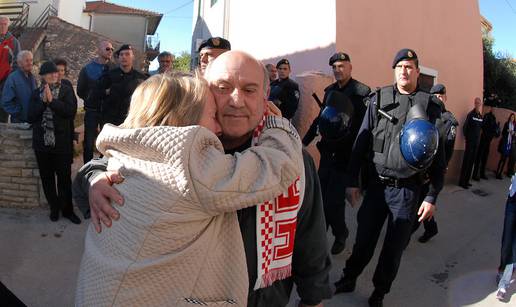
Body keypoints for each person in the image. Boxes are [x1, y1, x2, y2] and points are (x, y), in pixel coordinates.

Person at [74, 51, 332, 307]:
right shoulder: (185, 146)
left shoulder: (291, 156)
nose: (236, 100)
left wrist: (313, 296)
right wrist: (94, 177)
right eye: (223, 87)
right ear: (204, 91)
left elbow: (310, 233)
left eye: (250, 90)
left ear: (266, 99)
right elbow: (118, 158)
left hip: (264, 297)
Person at [334, 49, 446, 307]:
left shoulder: (430, 106)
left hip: (407, 191)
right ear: (394, 70)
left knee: (393, 249)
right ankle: (349, 277)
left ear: (417, 71)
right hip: (376, 187)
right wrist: (352, 181)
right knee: (363, 240)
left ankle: (379, 292)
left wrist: (431, 196)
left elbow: (438, 156)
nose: (404, 71)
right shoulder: (379, 99)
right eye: (399, 67)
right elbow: (361, 142)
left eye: (409, 66)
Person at [303, 52, 371, 255]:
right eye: (334, 67)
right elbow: (321, 120)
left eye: (342, 66)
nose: (338, 70)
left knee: (334, 201)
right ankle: (321, 235)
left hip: (346, 156)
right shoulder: (330, 91)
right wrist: (302, 142)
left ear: (350, 67)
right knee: (322, 198)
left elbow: (364, 128)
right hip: (328, 153)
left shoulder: (361, 92)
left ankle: (341, 233)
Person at [27, 61, 80, 224]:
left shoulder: (66, 90)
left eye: (55, 72)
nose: (54, 75)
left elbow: (70, 112)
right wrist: (43, 102)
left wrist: (52, 102)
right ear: (42, 76)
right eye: (49, 73)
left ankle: (67, 210)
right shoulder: (36, 94)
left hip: (61, 143)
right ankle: (54, 208)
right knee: (47, 178)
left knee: (64, 179)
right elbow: (31, 117)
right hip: (42, 144)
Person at [410, 83, 458, 244]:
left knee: (422, 202)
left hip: (434, 167)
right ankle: (431, 228)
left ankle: (405, 236)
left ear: (445, 97)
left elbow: (449, 146)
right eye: (435, 96)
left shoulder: (449, 120)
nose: (438, 99)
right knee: (422, 200)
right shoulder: (427, 113)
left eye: (440, 96)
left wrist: (443, 167)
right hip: (421, 164)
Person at [77, 40, 114, 163]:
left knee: (107, 143)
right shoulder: (87, 69)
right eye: (107, 49)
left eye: (112, 49)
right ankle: (87, 169)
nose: (110, 51)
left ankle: (105, 168)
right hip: (92, 111)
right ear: (99, 50)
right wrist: (91, 98)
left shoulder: (114, 68)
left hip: (108, 112)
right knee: (88, 143)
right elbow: (80, 91)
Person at [98, 44, 147, 126]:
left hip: (131, 121)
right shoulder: (109, 75)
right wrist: (107, 92)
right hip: (110, 121)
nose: (124, 57)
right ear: (118, 58)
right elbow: (96, 93)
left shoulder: (141, 78)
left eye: (127, 54)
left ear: (133, 57)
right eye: (121, 54)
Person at [1, 50, 36, 123]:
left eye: (31, 60)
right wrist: (18, 112)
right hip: (19, 122)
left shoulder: (32, 77)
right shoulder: (13, 78)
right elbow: (5, 102)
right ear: (19, 63)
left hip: (32, 120)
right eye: (27, 61)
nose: (30, 63)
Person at [496, 174, 516, 300]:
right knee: (507, 241)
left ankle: (503, 282)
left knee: (514, 245)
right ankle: (503, 267)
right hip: (513, 201)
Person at [55, 58, 78, 163]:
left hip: (67, 127)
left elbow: (73, 106)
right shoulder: (46, 87)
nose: (60, 73)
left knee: (66, 163)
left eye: (62, 70)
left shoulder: (67, 84)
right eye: (57, 70)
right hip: (54, 129)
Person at [458, 97, 483, 189]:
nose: (477, 104)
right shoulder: (470, 115)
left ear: (480, 105)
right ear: (474, 103)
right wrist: (468, 138)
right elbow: (465, 128)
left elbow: (480, 129)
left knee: (471, 162)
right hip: (470, 143)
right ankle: (462, 182)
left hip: (476, 143)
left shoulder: (480, 116)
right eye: (476, 103)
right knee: (466, 161)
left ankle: (467, 181)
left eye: (479, 103)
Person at [0, 16, 21, 122]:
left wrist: (10, 79)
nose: (2, 26)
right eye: (0, 24)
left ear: (8, 26)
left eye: (4, 24)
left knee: (3, 108)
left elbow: (18, 62)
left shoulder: (14, 42)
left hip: (5, 81)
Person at [473, 100, 499, 180]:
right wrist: (488, 132)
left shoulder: (494, 118)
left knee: (485, 157)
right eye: (493, 108)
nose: (494, 110)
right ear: (491, 109)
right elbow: (483, 126)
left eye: (495, 109)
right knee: (479, 156)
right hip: (484, 139)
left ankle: (482, 173)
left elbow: (494, 129)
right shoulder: (487, 116)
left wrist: (496, 131)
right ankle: (475, 174)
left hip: (489, 141)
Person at [496, 114, 515, 179]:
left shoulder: (514, 126)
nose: (512, 118)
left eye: (513, 118)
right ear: (510, 117)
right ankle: (497, 172)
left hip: (509, 144)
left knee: (505, 159)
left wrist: (513, 133)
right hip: (505, 143)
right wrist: (508, 131)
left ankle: (500, 173)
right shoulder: (506, 124)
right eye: (511, 117)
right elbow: (503, 132)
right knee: (502, 158)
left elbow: (514, 135)